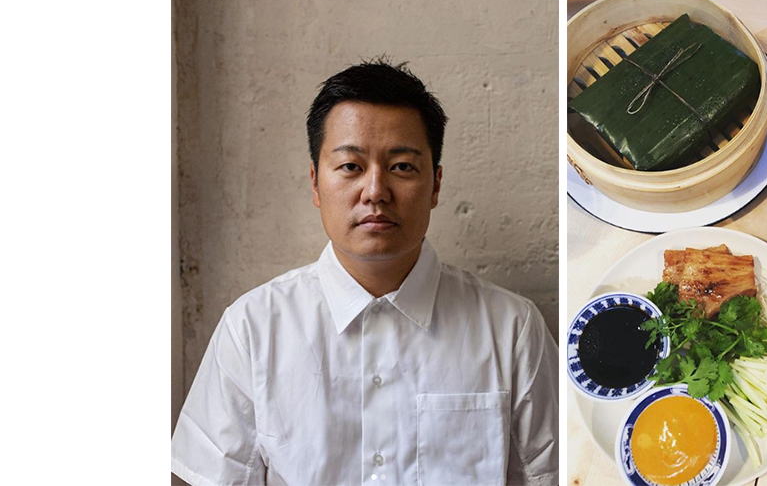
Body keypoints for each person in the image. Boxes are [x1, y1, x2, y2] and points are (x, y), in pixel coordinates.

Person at [171, 59, 558, 486]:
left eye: (402, 167)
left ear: (435, 185)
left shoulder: (511, 328)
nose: (375, 192)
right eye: (351, 167)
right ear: (316, 184)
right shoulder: (253, 329)